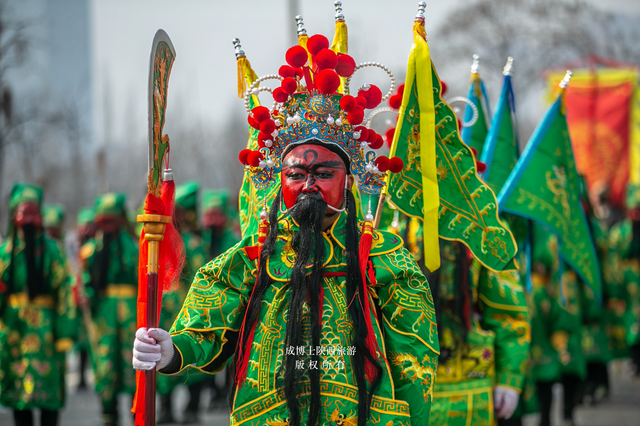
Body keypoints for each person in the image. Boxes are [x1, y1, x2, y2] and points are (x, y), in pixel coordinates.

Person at [132, 32, 440, 425]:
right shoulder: (254, 253)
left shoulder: (381, 257)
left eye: (323, 173)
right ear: (281, 180)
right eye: (296, 173)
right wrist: (171, 351)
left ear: (347, 181)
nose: (309, 184)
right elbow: (209, 324)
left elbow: (415, 356)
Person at [427, 240, 530, 426]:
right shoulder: (388, 216)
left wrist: (509, 376)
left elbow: (507, 315)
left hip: (471, 387)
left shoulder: (483, 225)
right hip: (408, 385)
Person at [0, 183, 77, 426]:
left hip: (46, 332)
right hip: (14, 329)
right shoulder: (4, 253)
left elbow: (64, 292)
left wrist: (64, 332)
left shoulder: (53, 251)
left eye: (35, 213)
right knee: (18, 392)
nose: (31, 219)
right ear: (15, 215)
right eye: (25, 213)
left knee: (48, 392)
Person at [80, 193, 138, 426]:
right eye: (102, 222)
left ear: (121, 221)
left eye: (111, 221)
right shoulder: (90, 251)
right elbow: (85, 283)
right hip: (103, 316)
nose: (106, 227)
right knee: (106, 366)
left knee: (134, 363)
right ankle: (109, 414)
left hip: (132, 315)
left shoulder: (136, 248)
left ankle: (137, 414)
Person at [156, 181, 209, 424]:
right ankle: (166, 408)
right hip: (164, 311)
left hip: (188, 309)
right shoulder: (160, 241)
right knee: (161, 358)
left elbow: (201, 280)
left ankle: (192, 408)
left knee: (191, 359)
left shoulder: (193, 243)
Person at [608, 184, 640, 375]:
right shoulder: (619, 233)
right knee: (629, 321)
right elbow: (613, 263)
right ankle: (633, 359)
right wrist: (616, 291)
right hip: (627, 284)